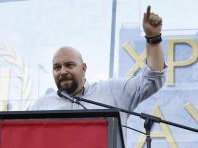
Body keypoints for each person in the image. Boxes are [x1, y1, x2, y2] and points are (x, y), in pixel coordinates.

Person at [30, 6, 166, 126]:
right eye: (57, 67)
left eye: (69, 65)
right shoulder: (41, 106)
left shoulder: (113, 92)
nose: (63, 71)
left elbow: (152, 79)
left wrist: (153, 38)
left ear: (83, 68)